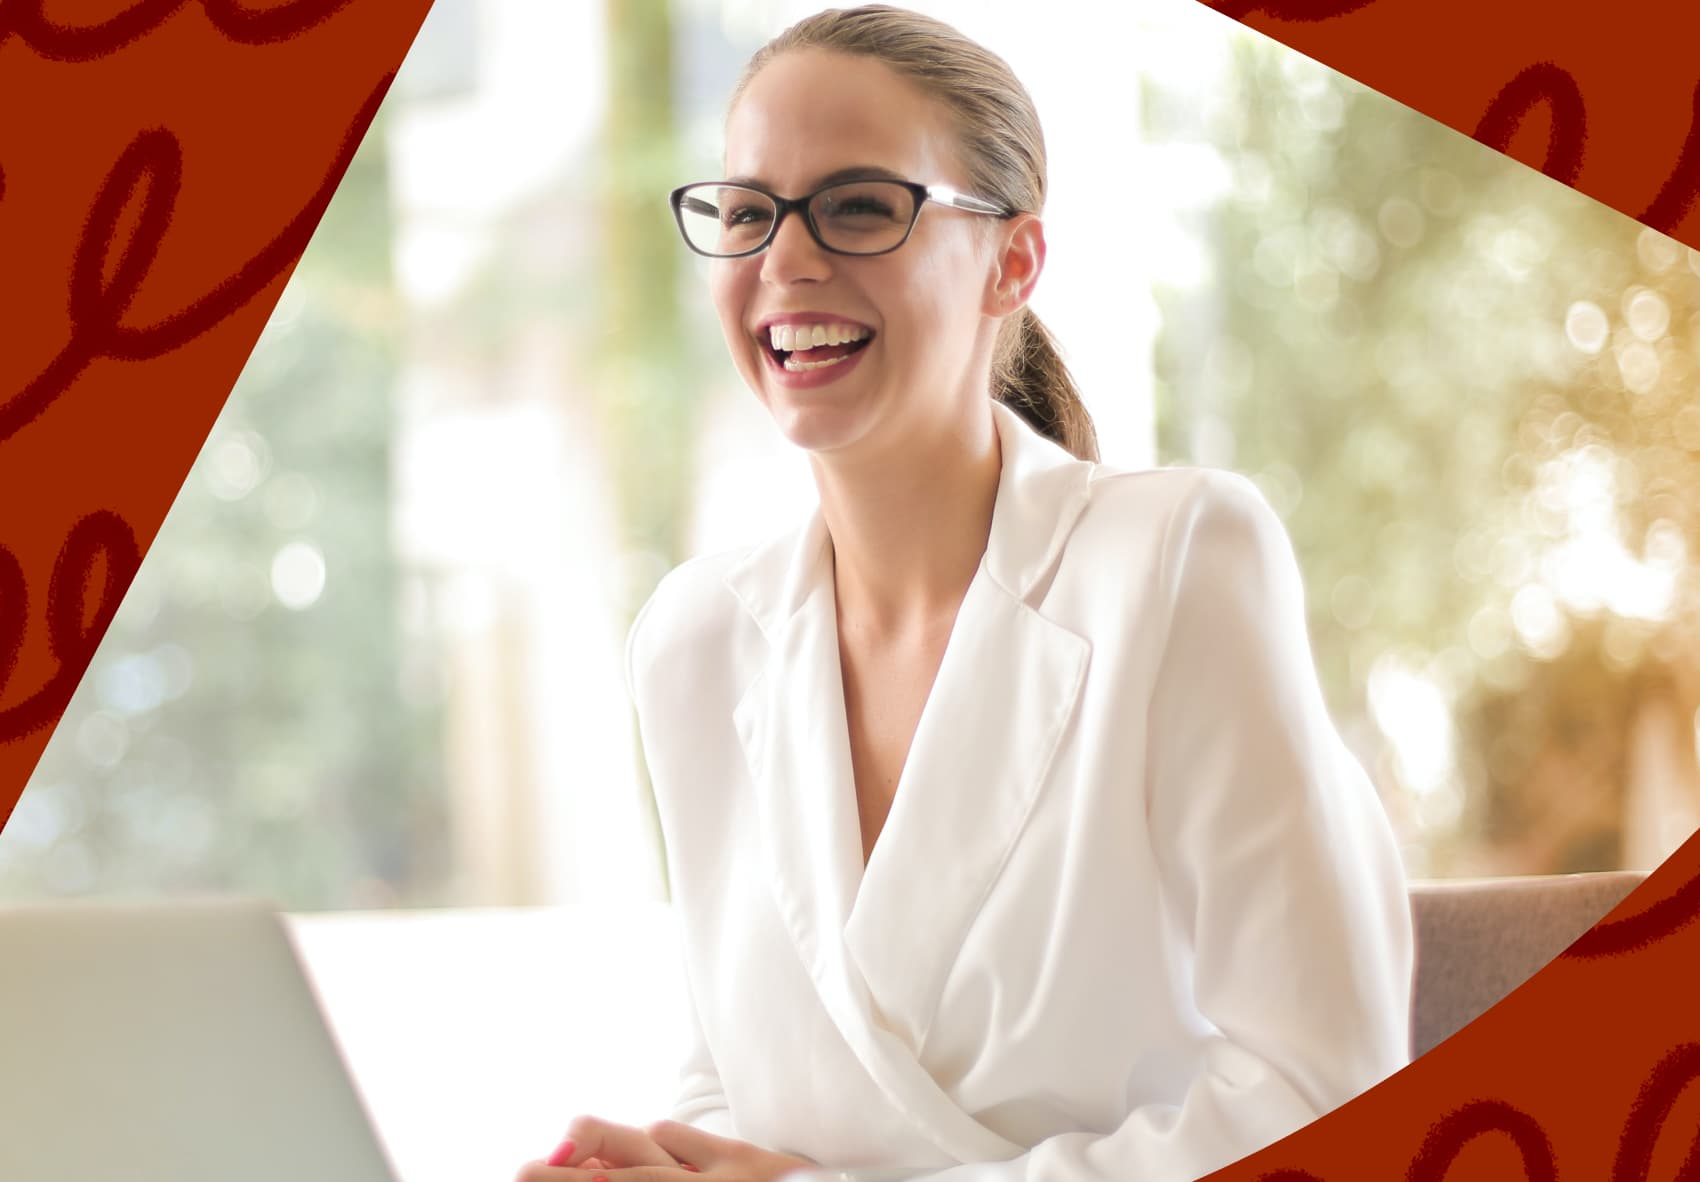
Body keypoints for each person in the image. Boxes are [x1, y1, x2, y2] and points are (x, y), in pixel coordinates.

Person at [516, 5, 1413, 1181]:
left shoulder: (1177, 560)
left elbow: (1321, 1097)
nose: (785, 260)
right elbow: (735, 1073)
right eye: (745, 213)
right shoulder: (695, 641)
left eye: (858, 206)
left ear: (1012, 260)